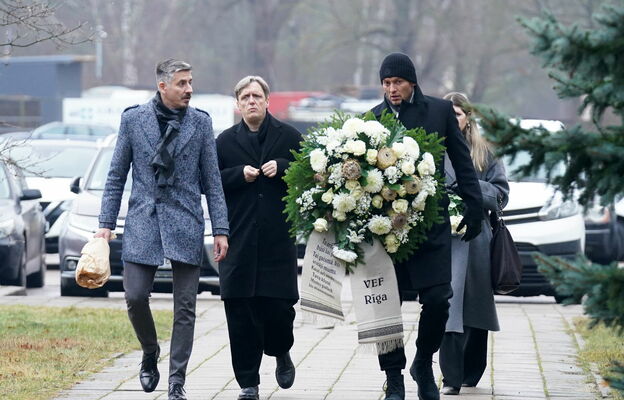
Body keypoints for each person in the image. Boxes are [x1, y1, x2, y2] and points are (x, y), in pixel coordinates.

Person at [96, 59, 230, 400]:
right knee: (135, 296)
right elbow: (116, 176)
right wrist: (105, 226)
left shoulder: (200, 123)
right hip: (143, 220)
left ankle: (176, 382)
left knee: (185, 306)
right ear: (163, 86)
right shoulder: (132, 120)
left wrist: (221, 229)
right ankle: (150, 352)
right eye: (182, 83)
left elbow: (213, 182)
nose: (189, 89)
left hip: (185, 220)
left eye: (190, 82)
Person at [370, 53, 484, 400]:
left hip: (429, 224)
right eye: (387, 83)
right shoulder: (371, 121)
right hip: (387, 231)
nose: (392, 89)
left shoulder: (438, 112)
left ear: (412, 82)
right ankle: (395, 377)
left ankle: (422, 361)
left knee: (438, 299)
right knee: (384, 305)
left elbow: (462, 162)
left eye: (398, 83)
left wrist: (474, 205)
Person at [215, 76, 302, 400]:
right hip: (236, 241)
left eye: (257, 96)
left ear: (267, 101)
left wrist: (282, 166)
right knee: (240, 315)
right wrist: (239, 175)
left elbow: (308, 174)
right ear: (238, 105)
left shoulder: (289, 136)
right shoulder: (224, 142)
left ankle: (281, 351)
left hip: (277, 243)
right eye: (245, 97)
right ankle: (248, 383)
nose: (251, 101)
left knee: (279, 310)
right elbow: (209, 183)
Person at [438, 92, 509, 395]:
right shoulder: (431, 149)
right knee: (448, 307)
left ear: (468, 118)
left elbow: (501, 194)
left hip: (477, 238)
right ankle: (450, 376)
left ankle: (471, 371)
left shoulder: (484, 152)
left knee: (476, 308)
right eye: (449, 113)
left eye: (458, 114)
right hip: (444, 239)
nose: (453, 119)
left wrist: (470, 185)